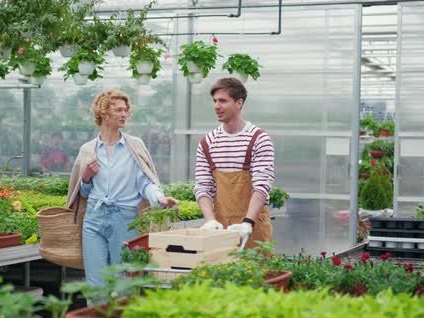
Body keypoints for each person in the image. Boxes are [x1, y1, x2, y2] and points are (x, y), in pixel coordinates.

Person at [66, 89, 178, 289]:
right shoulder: (88, 149)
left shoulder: (133, 146)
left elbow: (145, 182)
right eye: (118, 110)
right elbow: (82, 194)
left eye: (126, 110)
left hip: (125, 220)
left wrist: (159, 198)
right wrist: (85, 178)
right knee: (95, 282)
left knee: (124, 280)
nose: (124, 114)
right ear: (103, 113)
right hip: (94, 219)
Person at [195, 78, 275, 248]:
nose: (216, 106)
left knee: (259, 271)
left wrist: (247, 222)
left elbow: (262, 185)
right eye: (215, 101)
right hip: (221, 227)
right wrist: (210, 220)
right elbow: (203, 186)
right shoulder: (208, 142)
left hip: (254, 226)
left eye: (223, 101)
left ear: (239, 103)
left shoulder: (258, 139)